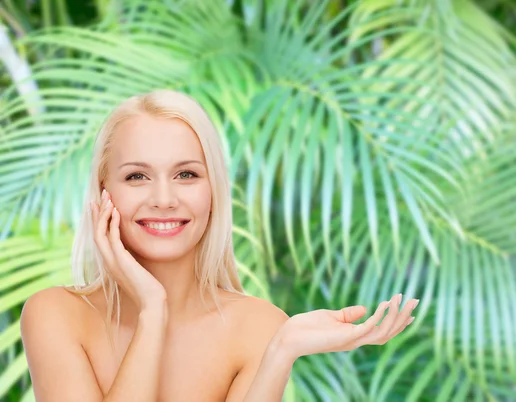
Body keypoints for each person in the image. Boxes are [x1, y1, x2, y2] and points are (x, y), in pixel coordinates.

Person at [19, 89, 419, 401]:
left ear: (214, 190)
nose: (163, 198)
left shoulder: (260, 327)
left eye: (187, 175)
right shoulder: (54, 315)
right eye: (137, 176)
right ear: (104, 191)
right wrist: (152, 311)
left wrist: (281, 351)